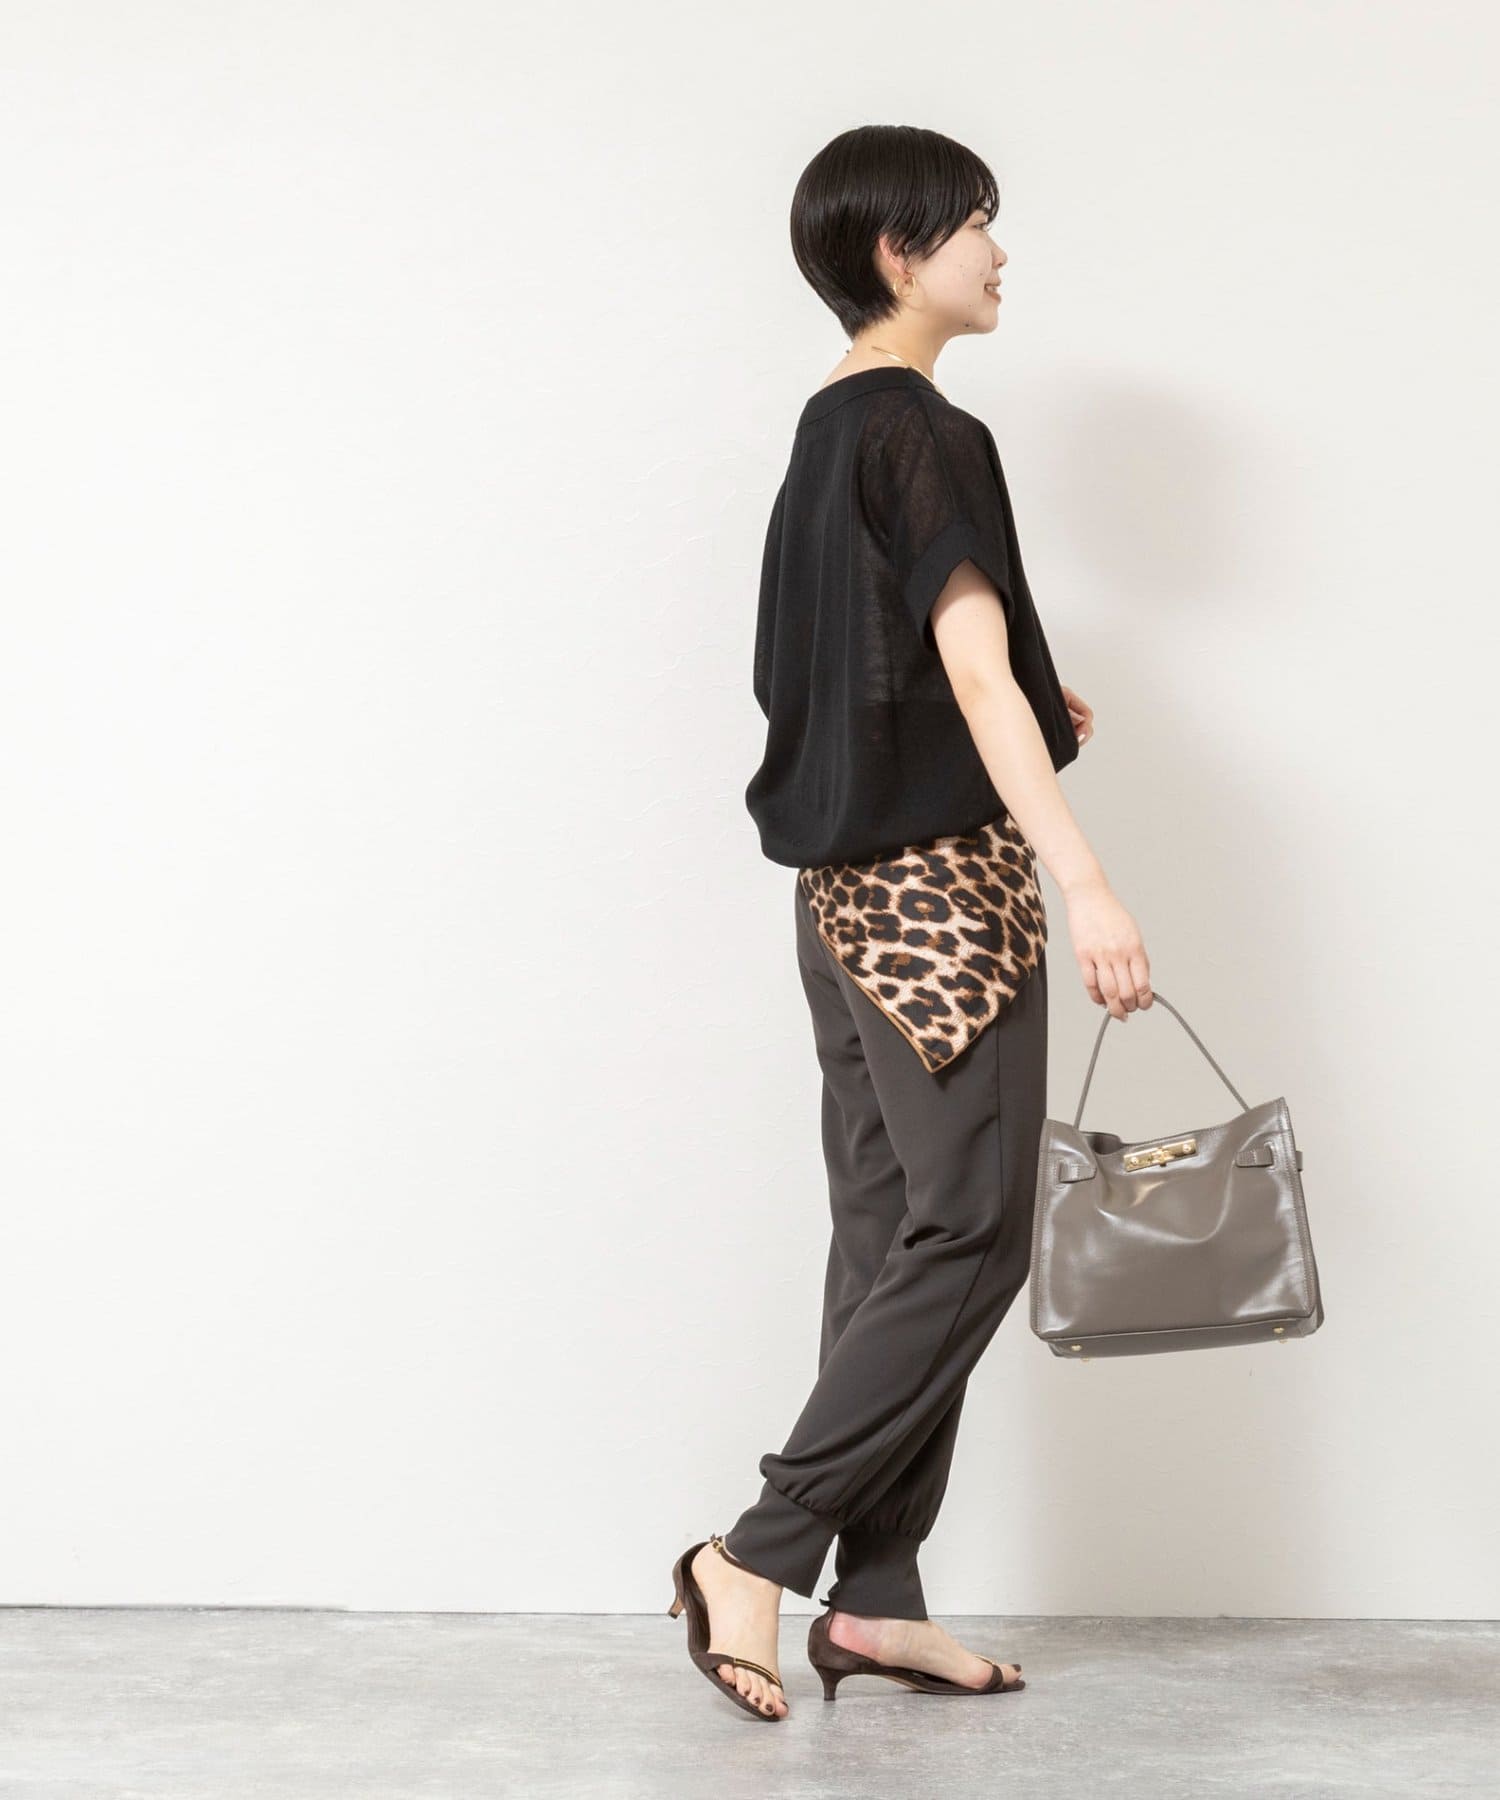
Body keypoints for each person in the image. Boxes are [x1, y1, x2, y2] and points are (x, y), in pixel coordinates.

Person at [669, 123, 1153, 1723]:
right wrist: (1085, 879)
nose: (999, 255)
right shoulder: (928, 431)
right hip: (945, 901)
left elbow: (849, 680)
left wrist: (1029, 703)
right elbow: (965, 668)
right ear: (899, 252)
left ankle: (874, 1603)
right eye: (975, 227)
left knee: (892, 1242)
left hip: (841, 905)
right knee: (971, 1234)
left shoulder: (825, 436)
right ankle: (757, 1551)